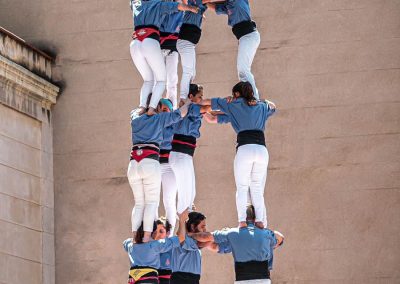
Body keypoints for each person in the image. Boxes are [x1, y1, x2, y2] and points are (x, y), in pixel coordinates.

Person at [199, 81, 276, 227]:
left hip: (245, 148)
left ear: (236, 94)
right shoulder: (260, 105)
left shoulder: (233, 104)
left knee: (242, 187)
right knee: (257, 187)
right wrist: (262, 100)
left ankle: (242, 222)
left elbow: (206, 104)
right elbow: (273, 106)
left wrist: (196, 104)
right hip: (261, 149)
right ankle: (260, 221)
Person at [128, 97, 192, 242]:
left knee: (140, 203)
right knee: (151, 203)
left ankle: (136, 238)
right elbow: (180, 114)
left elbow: (134, 112)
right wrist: (187, 103)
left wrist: (144, 107)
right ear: (157, 107)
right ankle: (146, 238)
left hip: (135, 162)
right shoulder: (160, 119)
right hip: (151, 162)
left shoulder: (136, 118)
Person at [129, 0, 198, 115]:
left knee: (150, 80)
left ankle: (143, 107)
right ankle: (151, 109)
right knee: (160, 80)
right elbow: (179, 6)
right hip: (151, 42)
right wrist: (191, 8)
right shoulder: (159, 3)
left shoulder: (136, 2)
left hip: (136, 43)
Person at [189, 205, 284, 283]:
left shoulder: (232, 234)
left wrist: (189, 234)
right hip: (263, 280)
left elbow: (207, 239)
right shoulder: (266, 234)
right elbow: (280, 238)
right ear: (256, 217)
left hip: (242, 280)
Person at [204, 0, 261, 99]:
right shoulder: (229, 4)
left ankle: (254, 98)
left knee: (243, 70)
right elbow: (214, 7)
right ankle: (250, 96)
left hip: (248, 36)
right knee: (243, 71)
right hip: (246, 37)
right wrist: (203, 3)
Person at [169, 84, 211, 215]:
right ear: (191, 96)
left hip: (184, 155)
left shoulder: (193, 107)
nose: (201, 99)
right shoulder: (190, 107)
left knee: (191, 192)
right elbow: (207, 108)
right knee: (186, 193)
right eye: (200, 97)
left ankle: (188, 221)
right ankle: (183, 225)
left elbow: (210, 113)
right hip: (180, 154)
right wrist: (224, 104)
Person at [123, 210, 189, 284]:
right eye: (154, 232)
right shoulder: (155, 245)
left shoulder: (130, 243)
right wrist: (182, 220)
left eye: (161, 231)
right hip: (148, 277)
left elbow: (126, 243)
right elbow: (181, 237)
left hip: (134, 277)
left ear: (168, 233)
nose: (157, 235)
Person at [177, 0, 207, 101]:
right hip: (185, 41)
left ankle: (188, 97)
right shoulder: (194, 3)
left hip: (189, 43)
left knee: (192, 73)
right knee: (188, 72)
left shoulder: (200, 6)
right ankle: (183, 99)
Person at [159, 98, 179, 236]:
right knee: (152, 201)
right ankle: (154, 233)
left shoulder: (175, 123)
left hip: (168, 165)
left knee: (169, 200)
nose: (165, 113)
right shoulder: (153, 122)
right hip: (154, 164)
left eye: (168, 110)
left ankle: (169, 235)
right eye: (163, 110)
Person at [170, 211, 208, 284]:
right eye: (202, 227)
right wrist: (182, 220)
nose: (205, 230)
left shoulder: (192, 241)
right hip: (182, 279)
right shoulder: (185, 240)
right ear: (193, 226)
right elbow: (180, 234)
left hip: (192, 279)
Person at [160, 4, 184, 109]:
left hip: (172, 49)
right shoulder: (162, 7)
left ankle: (172, 109)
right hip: (160, 48)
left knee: (172, 80)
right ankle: (154, 106)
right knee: (158, 81)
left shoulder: (181, 11)